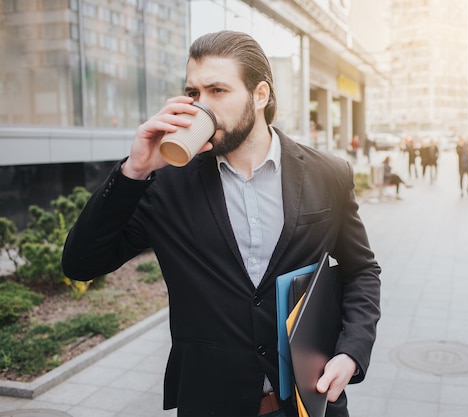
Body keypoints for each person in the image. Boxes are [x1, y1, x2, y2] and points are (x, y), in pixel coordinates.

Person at [62, 30, 381, 417]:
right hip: (211, 405)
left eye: (217, 91)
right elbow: (81, 263)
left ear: (260, 95)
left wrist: (351, 352)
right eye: (193, 93)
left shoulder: (327, 174)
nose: (202, 107)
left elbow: (361, 271)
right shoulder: (164, 185)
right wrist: (134, 170)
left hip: (309, 403)